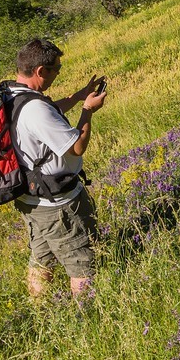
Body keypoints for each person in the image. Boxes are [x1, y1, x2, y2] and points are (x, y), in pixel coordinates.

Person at [8, 36, 107, 301]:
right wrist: (87, 110)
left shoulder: (12, 94)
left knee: (41, 258)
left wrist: (77, 97)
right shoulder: (36, 109)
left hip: (31, 198)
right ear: (40, 71)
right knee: (81, 262)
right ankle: (85, 319)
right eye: (56, 70)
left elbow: (48, 111)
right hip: (57, 204)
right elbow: (76, 147)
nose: (57, 75)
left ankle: (39, 311)